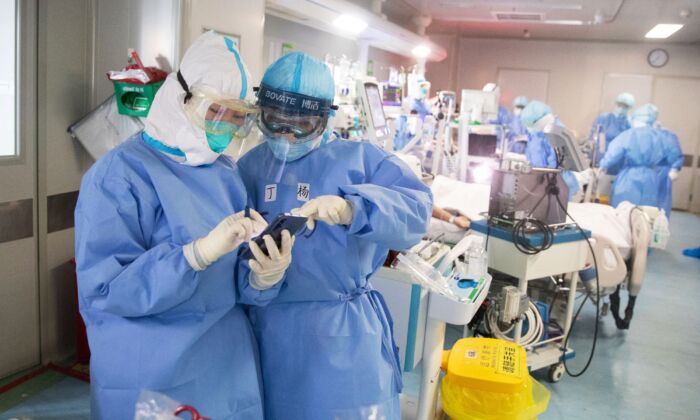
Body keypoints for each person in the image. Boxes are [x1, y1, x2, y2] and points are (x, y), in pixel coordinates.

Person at [74, 32, 294, 419]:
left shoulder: (225, 173)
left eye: (238, 118)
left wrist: (262, 276)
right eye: (217, 112)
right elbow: (105, 289)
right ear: (182, 98)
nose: (225, 127)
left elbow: (236, 279)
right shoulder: (118, 175)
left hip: (226, 365)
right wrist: (194, 256)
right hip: (151, 369)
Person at [237, 52, 433, 420]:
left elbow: (417, 211)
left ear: (325, 120)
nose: (285, 136)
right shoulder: (249, 167)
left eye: (300, 126)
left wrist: (355, 208)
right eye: (275, 122)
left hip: (343, 340)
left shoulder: (360, 160)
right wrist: (260, 278)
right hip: (268, 335)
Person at [599, 104, 665, 208]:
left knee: (624, 212)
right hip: (651, 179)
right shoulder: (660, 136)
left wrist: (603, 165)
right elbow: (668, 159)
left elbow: (614, 152)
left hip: (630, 179)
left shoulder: (629, 134)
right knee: (645, 215)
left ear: (636, 118)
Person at [519, 100, 580, 199]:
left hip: (558, 184)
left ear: (542, 119)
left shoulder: (558, 132)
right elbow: (532, 155)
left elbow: (555, 164)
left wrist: (545, 180)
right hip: (540, 182)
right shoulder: (536, 133)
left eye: (533, 123)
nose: (531, 128)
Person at [588, 92, 635, 163]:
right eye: (620, 105)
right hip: (600, 157)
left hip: (618, 161)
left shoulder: (629, 123)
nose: (621, 108)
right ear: (616, 104)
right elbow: (592, 139)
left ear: (629, 108)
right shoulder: (604, 118)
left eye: (625, 106)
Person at [656, 126, 683, 216]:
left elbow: (675, 153)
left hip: (661, 174)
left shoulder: (666, 135)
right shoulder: (632, 133)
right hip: (655, 173)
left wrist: (674, 168)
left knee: (659, 206)